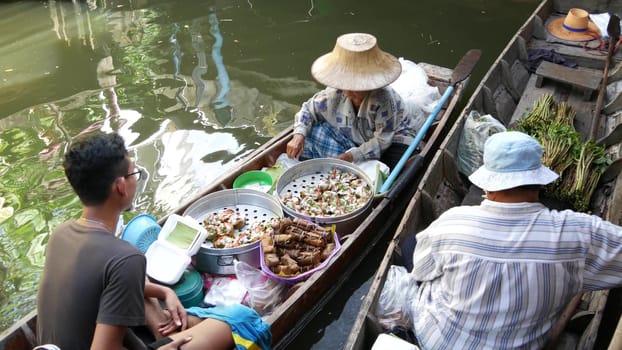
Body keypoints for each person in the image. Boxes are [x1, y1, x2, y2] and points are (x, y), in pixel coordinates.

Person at [36, 132, 271, 350]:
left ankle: (170, 328)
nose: (136, 180)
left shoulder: (61, 234)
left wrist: (163, 292)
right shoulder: (125, 258)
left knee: (154, 294)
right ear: (120, 186)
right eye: (134, 174)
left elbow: (104, 284)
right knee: (242, 319)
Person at [410, 131, 622, 349]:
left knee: (411, 248)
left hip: (437, 342)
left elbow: (420, 272)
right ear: (539, 182)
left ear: (487, 185)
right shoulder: (577, 233)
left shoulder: (451, 223)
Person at [286, 32, 418, 170]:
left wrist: (350, 156)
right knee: (312, 132)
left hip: (390, 140)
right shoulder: (335, 92)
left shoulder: (384, 99)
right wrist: (298, 136)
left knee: (397, 166)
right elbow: (308, 109)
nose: (348, 92)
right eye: (346, 85)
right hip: (356, 138)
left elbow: (382, 141)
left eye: (355, 87)